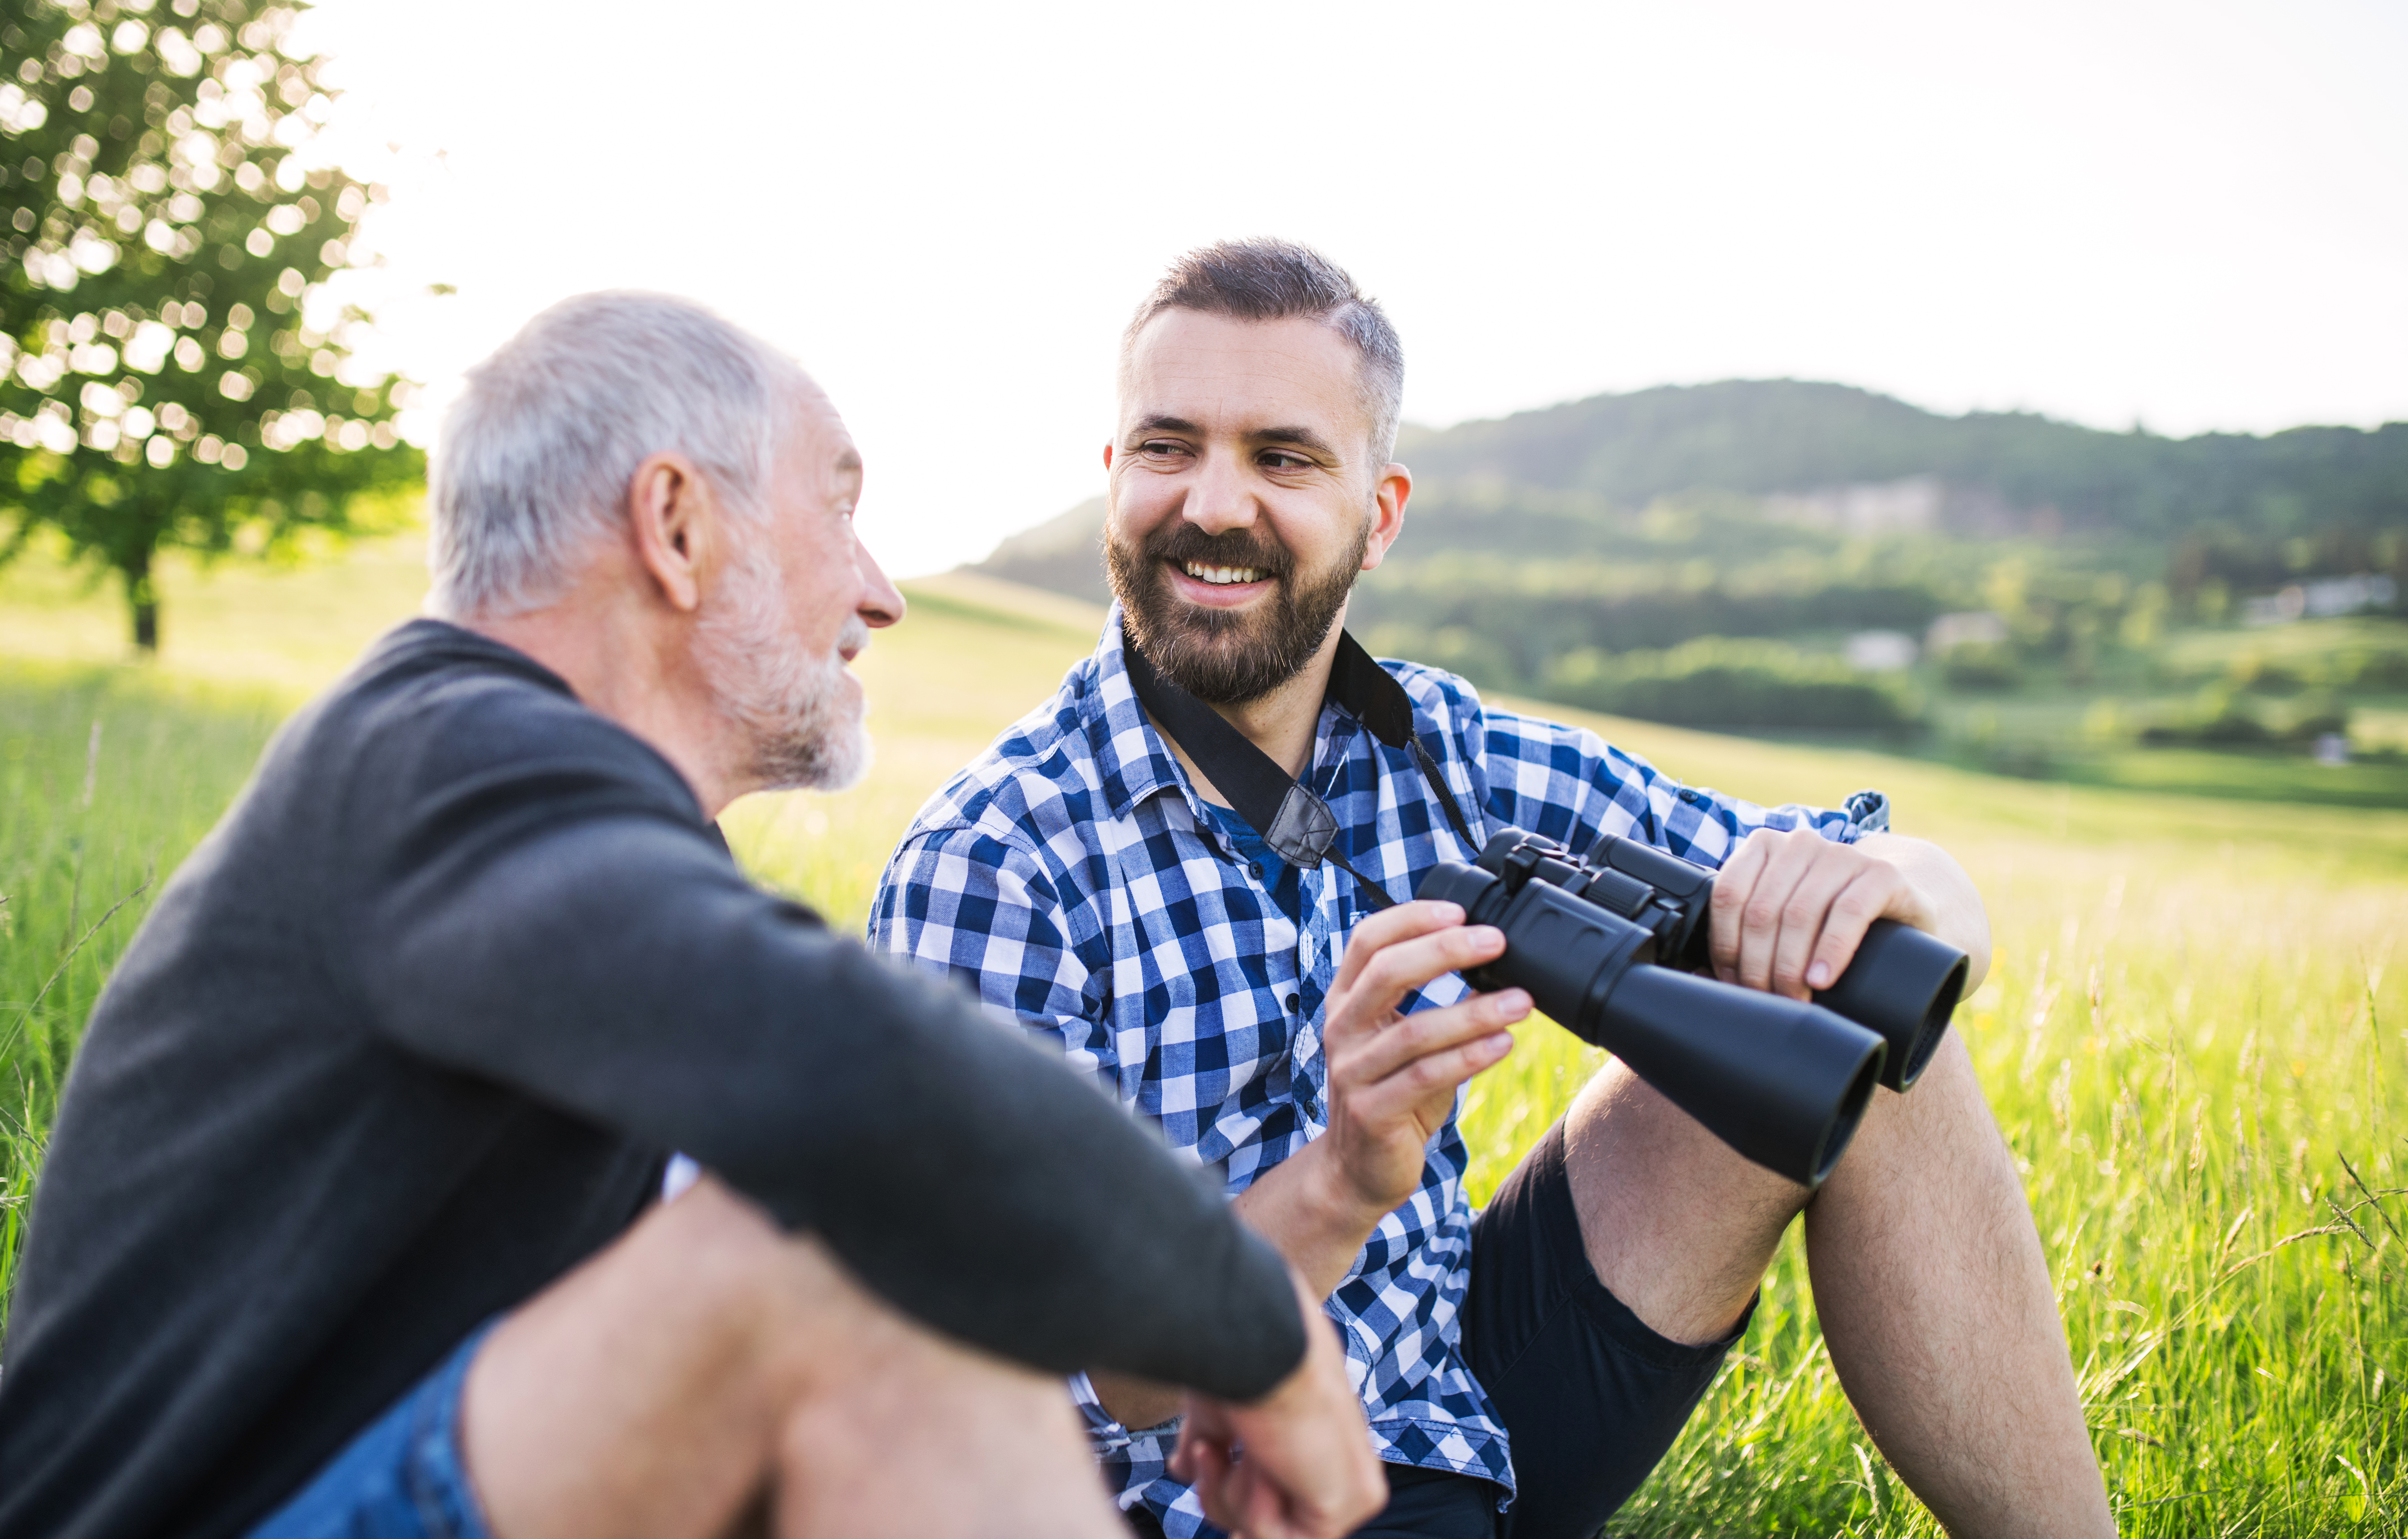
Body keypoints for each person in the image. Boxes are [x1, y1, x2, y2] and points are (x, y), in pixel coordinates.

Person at [0, 292, 1386, 1539]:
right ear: (676, 528)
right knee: (833, 1258)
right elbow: (879, 1090)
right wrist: (1258, 1329)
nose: (880, 593)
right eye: (838, 510)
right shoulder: (445, 761)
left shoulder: (577, 824)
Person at [870, 241, 2116, 1538]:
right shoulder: (996, 864)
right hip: (1192, 1494)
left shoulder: (1439, 751)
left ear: (1382, 514)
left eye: (1283, 459)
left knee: (1861, 1016)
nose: (1215, 504)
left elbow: (1872, 863)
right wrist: (1347, 1177)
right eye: (1168, 447)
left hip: (1451, 1405)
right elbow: (1075, 1370)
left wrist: (1908, 895)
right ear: (1113, 474)